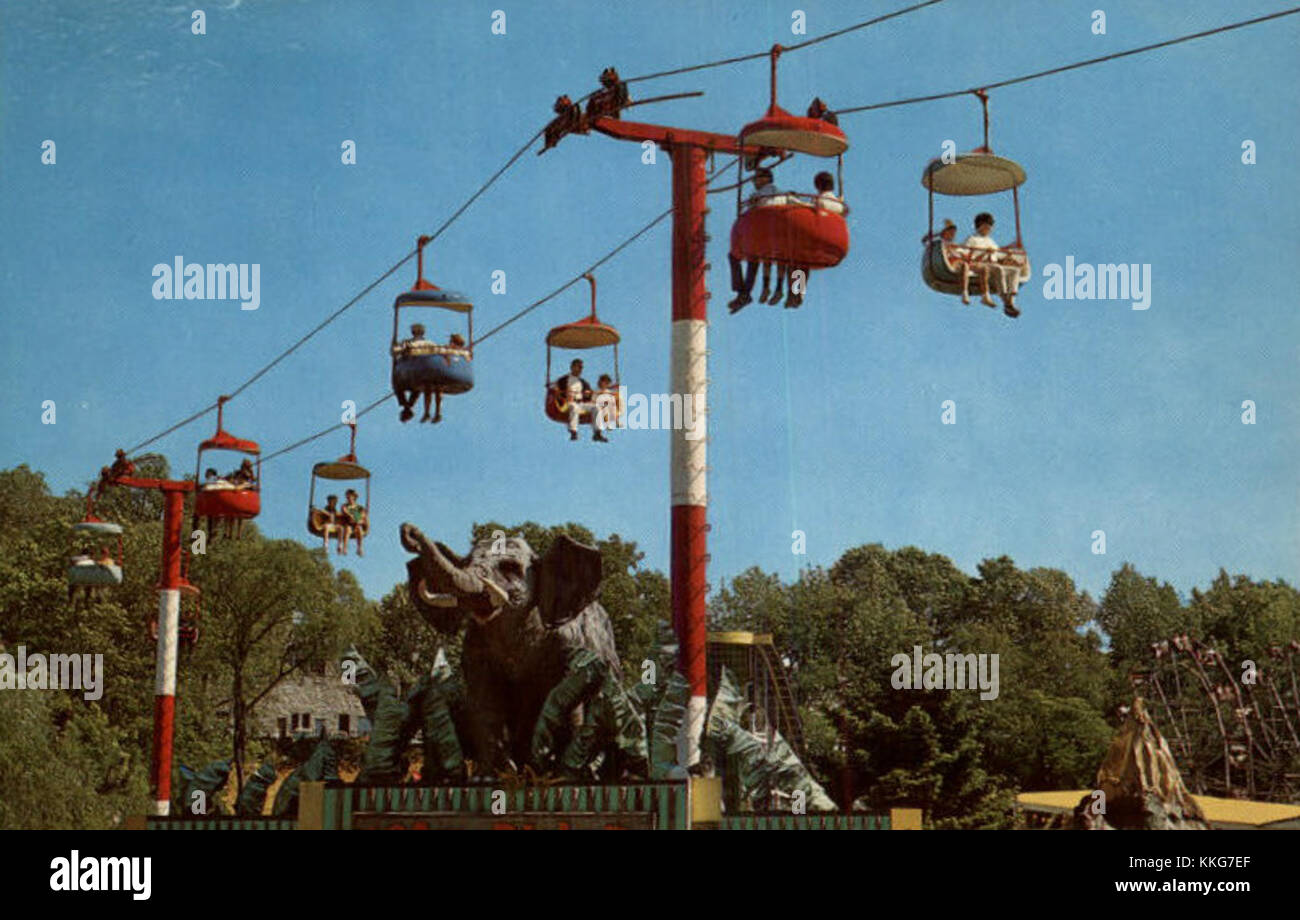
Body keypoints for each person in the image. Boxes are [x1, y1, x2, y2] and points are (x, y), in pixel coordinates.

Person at [729, 168, 788, 313]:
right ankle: (790, 291)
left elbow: (752, 209)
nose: (754, 182)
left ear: (765, 179)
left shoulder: (760, 194)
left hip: (762, 232)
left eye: (756, 179)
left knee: (742, 256)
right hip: (777, 235)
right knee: (757, 258)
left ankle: (745, 291)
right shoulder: (782, 194)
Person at [961, 212, 1021, 317]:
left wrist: (1008, 256)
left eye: (989, 227)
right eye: (986, 227)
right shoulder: (972, 239)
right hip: (980, 264)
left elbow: (998, 256)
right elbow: (967, 257)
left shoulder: (991, 241)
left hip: (993, 264)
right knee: (998, 269)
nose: (988, 229)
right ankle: (1004, 298)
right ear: (979, 226)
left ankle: (1011, 299)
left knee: (1014, 271)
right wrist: (985, 253)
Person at [552, 359, 605, 442]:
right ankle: (573, 431)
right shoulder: (564, 379)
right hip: (568, 403)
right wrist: (559, 391)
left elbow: (589, 393)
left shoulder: (583, 382)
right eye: (578, 367)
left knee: (597, 408)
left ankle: (597, 432)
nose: (580, 370)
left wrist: (588, 394)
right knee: (574, 407)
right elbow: (553, 386)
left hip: (581, 403)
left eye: (581, 368)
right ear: (572, 367)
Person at [395, 323, 428, 422]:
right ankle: (407, 406)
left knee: (415, 387)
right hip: (410, 368)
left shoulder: (426, 344)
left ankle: (407, 406)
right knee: (401, 386)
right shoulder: (407, 342)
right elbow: (397, 351)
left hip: (417, 369)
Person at [340, 488, 366, 556]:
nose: (348, 498)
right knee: (347, 530)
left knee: (359, 530)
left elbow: (362, 516)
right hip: (348, 523)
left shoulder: (359, 507)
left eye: (349, 497)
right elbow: (345, 511)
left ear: (354, 497)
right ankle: (345, 548)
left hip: (357, 523)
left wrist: (358, 519)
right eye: (347, 497)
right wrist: (350, 515)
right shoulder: (345, 506)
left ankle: (359, 548)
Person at [593, 374, 618, 441]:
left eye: (606, 383)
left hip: (607, 408)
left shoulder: (609, 392)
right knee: (598, 409)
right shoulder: (596, 391)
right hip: (599, 407)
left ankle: (609, 422)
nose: (603, 384)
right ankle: (597, 433)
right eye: (602, 382)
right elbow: (594, 400)